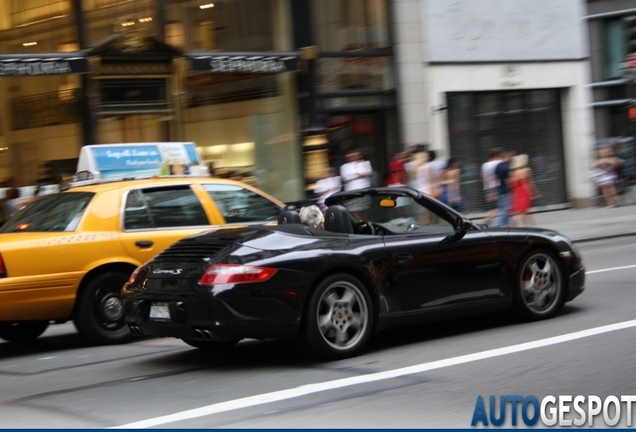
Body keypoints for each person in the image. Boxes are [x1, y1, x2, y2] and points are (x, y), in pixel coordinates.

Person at [340, 149, 373, 219]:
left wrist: (353, 175)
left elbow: (368, 171)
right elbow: (345, 177)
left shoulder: (365, 163)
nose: (353, 158)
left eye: (355, 155)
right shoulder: (344, 167)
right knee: (354, 210)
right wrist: (359, 175)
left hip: (363, 190)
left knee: (364, 210)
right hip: (351, 192)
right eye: (351, 156)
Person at [509, 154, 538, 226]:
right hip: (523, 192)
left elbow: (512, 184)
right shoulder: (526, 170)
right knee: (523, 211)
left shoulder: (513, 172)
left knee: (518, 211)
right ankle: (521, 226)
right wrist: (531, 194)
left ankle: (514, 227)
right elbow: (527, 183)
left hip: (516, 192)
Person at [481, 148, 504, 226]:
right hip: (497, 187)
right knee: (500, 207)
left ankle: (488, 219)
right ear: (498, 155)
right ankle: (489, 220)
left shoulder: (484, 165)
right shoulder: (499, 163)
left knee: (493, 207)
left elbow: (483, 176)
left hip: (487, 188)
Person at [492, 150, 513, 227]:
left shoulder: (498, 166)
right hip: (506, 191)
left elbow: (495, 178)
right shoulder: (506, 167)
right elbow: (507, 180)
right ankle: (496, 225)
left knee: (503, 209)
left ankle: (506, 226)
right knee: (505, 210)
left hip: (499, 190)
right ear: (506, 157)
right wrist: (511, 188)